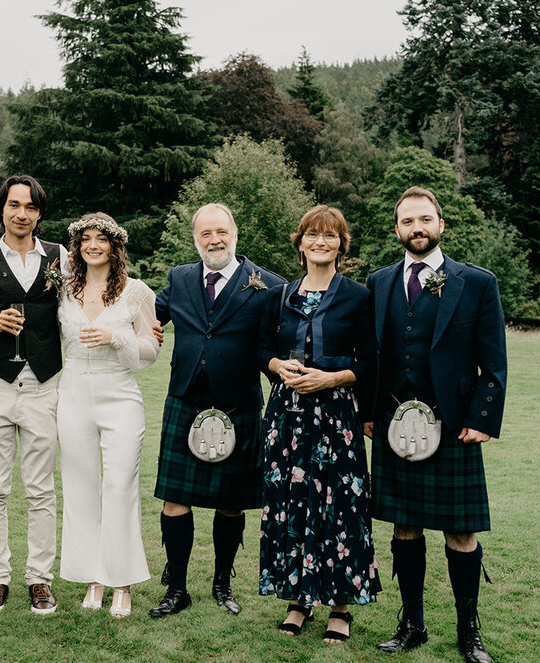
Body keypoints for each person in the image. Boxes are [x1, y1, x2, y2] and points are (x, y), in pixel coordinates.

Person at [364, 187, 507, 663]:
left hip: (451, 426)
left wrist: (482, 418)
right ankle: (412, 624)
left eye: (425, 219)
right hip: (392, 424)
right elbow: (372, 355)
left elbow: (494, 361)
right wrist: (367, 411)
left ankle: (470, 632)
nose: (416, 228)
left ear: (441, 225)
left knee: (460, 530)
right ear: (398, 228)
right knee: (405, 526)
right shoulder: (379, 281)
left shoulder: (476, 282)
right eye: (408, 221)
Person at [149, 202, 285, 618]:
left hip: (238, 403)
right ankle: (177, 589)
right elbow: (147, 310)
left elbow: (277, 343)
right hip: (185, 399)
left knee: (231, 502)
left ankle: (223, 583)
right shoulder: (180, 277)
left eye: (221, 232)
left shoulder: (268, 285)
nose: (215, 240)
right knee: (174, 498)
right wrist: (144, 325)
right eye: (206, 233)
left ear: (235, 233)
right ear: (196, 239)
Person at [257, 205, 381, 643]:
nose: (321, 242)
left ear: (341, 245)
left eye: (330, 235)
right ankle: (299, 600)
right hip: (287, 418)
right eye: (313, 234)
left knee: (338, 505)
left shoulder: (358, 296)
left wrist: (332, 377)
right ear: (301, 243)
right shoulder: (278, 296)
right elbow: (260, 349)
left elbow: (370, 360)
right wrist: (276, 364)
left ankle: (341, 606)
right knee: (293, 503)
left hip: (336, 419)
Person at [0, 175, 65, 615]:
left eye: (30, 207)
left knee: (41, 489)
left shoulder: (61, 257)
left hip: (44, 385)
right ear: (0, 208)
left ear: (39, 214)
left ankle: (40, 579)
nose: (21, 213)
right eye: (13, 205)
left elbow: (82, 304)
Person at [56, 213, 159, 618]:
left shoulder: (136, 292)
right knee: (80, 488)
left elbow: (150, 352)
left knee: (119, 486)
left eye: (102, 239)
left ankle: (122, 581)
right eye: (86, 239)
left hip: (120, 395)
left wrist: (116, 337)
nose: (93, 245)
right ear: (77, 246)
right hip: (74, 393)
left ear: (116, 246)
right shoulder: (63, 289)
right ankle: (92, 577)